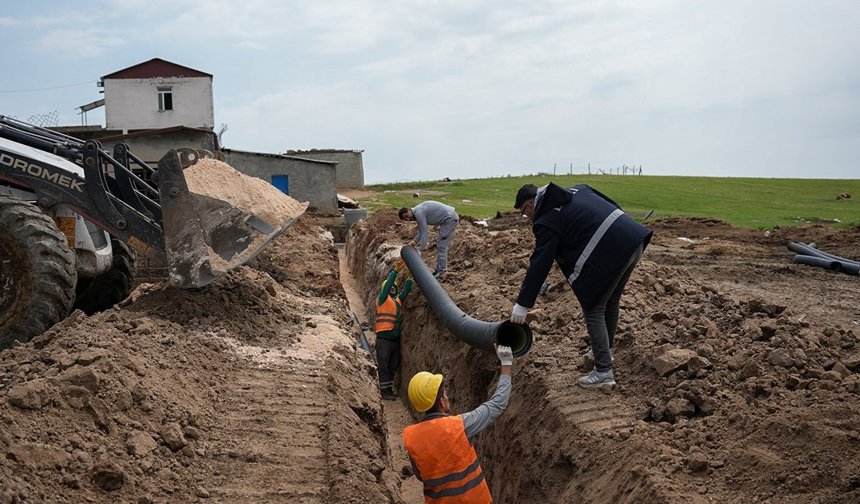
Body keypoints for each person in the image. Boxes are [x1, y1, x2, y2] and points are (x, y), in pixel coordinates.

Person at [510, 182, 652, 388]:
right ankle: (604, 352)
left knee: (593, 306)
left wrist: (523, 304)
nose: (527, 218)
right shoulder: (579, 190)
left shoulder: (547, 219)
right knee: (610, 301)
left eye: (524, 213)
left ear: (530, 205)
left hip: (616, 251)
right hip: (633, 239)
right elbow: (611, 205)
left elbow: (540, 263)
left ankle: (603, 371)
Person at [402, 345, 514, 503]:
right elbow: (497, 404)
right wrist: (506, 363)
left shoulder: (411, 437)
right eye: (445, 394)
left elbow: (420, 476)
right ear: (442, 402)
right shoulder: (459, 426)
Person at [375, 261, 414, 400]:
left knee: (392, 365)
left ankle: (389, 389)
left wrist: (409, 277)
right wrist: (395, 271)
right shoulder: (382, 299)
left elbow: (406, 291)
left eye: (394, 288)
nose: (392, 289)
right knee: (384, 365)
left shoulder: (397, 301)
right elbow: (387, 287)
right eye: (390, 288)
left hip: (394, 340)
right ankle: (384, 391)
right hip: (384, 340)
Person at [399, 201, 460, 277]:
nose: (408, 219)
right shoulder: (417, 212)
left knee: (442, 245)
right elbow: (421, 231)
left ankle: (442, 270)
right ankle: (438, 270)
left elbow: (425, 232)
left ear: (409, 210)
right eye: (406, 219)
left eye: (407, 216)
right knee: (440, 245)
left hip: (450, 219)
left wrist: (421, 250)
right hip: (448, 219)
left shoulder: (418, 213)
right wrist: (414, 241)